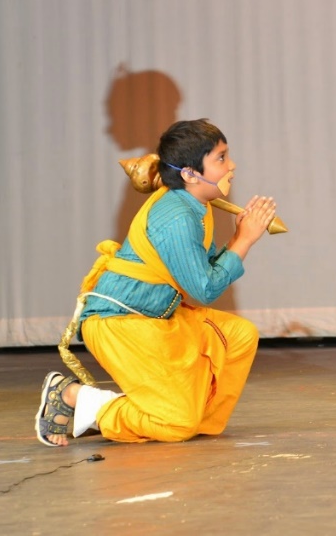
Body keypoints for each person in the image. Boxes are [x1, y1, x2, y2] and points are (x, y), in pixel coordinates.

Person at [35, 119, 278, 445]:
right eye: (221, 158)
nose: (231, 165)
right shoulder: (177, 216)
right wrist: (244, 240)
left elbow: (202, 275)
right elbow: (205, 290)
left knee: (239, 335)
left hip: (157, 318)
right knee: (176, 423)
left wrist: (238, 237)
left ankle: (189, 419)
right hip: (120, 324)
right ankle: (78, 398)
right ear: (190, 174)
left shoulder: (196, 207)